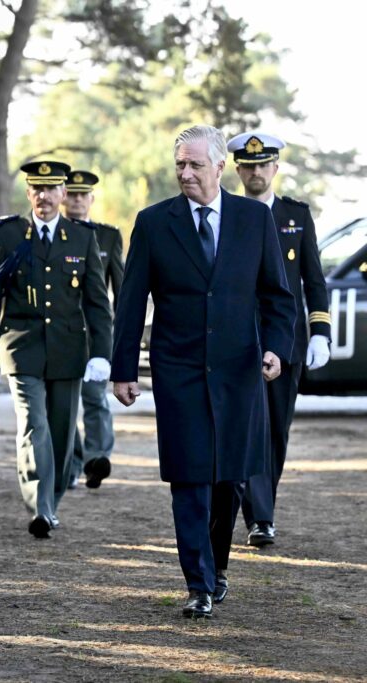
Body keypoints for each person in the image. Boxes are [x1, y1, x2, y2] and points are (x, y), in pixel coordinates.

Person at [110, 124, 297, 618]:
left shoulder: (254, 220)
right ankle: (198, 584)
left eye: (195, 165)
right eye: (179, 165)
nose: (186, 173)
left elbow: (278, 296)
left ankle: (216, 567)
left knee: (229, 480)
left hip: (239, 372)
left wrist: (277, 348)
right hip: (179, 370)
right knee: (189, 477)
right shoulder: (154, 223)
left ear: (219, 167)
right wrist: (123, 368)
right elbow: (131, 303)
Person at [0, 160, 113, 539]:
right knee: (34, 425)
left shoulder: (83, 238)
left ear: (63, 194)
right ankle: (41, 506)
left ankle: (51, 502)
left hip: (69, 351)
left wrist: (102, 353)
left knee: (61, 432)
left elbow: (97, 303)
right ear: (28, 194)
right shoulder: (9, 235)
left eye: (52, 189)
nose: (44, 196)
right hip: (21, 349)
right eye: (37, 189)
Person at [226, 131, 331, 548]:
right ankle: (260, 517)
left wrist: (319, 331)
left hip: (285, 339)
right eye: (247, 166)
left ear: (275, 168)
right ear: (237, 169)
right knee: (247, 425)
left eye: (262, 165)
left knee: (277, 431)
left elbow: (315, 280)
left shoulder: (296, 215)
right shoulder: (226, 213)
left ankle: (261, 507)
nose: (255, 172)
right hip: (237, 337)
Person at [62, 170, 123, 490]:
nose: (76, 200)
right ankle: (70, 464)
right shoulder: (51, 235)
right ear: (62, 197)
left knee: (95, 398)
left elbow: (120, 288)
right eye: (71, 194)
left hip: (95, 333)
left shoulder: (108, 236)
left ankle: (96, 459)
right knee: (64, 402)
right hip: (60, 331)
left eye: (82, 195)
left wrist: (120, 332)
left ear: (91, 199)